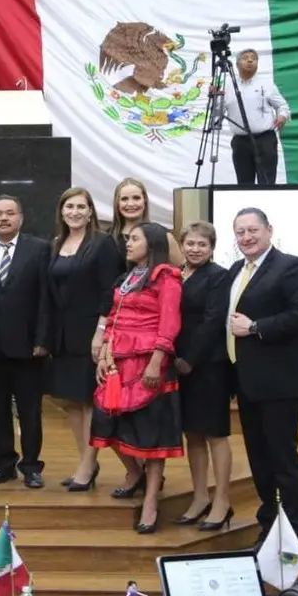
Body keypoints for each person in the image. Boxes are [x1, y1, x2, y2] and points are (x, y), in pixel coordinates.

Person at [225, 207, 298, 547]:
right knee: (259, 462)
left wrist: (255, 327)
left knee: (282, 461)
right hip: (247, 384)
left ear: (268, 230)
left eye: (252, 230)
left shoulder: (290, 266)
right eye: (240, 232)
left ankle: (293, 536)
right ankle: (269, 525)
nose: (246, 237)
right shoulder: (236, 270)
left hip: (280, 384)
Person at [90, 222, 184, 534]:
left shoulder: (166, 277)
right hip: (118, 364)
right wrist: (104, 353)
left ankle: (151, 501)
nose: (127, 244)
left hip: (148, 364)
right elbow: (113, 319)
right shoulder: (128, 277)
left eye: (134, 239)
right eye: (127, 239)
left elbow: (169, 324)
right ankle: (134, 473)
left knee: (152, 435)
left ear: (152, 243)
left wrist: (156, 364)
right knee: (107, 422)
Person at [44, 187, 124, 492]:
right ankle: (85, 461)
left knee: (91, 400)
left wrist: (102, 332)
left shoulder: (102, 244)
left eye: (81, 206)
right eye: (69, 206)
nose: (74, 212)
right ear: (61, 212)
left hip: (92, 332)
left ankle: (88, 465)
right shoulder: (56, 244)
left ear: (91, 212)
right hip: (63, 337)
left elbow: (110, 290)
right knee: (72, 403)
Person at [0, 195, 51, 489]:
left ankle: (32, 466)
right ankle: (4, 464)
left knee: (30, 411)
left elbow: (47, 299)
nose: (4, 219)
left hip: (28, 347)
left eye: (10, 213)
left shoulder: (39, 249)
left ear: (21, 218)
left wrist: (42, 339)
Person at [172, 221, 234, 531]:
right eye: (191, 243)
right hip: (178, 364)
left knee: (214, 434)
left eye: (202, 244)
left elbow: (213, 321)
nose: (196, 249)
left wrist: (190, 360)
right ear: (182, 245)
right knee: (192, 434)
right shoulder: (174, 274)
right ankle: (199, 497)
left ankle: (222, 500)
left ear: (212, 248)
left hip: (208, 365)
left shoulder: (218, 276)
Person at [223, 49, 291, 185]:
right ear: (237, 64)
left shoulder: (266, 84)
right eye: (245, 58)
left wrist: (282, 116)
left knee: (266, 182)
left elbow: (283, 106)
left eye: (254, 58)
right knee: (243, 183)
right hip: (240, 142)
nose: (250, 60)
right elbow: (217, 111)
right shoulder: (229, 86)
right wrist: (214, 97)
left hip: (264, 139)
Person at [107, 178, 181, 265]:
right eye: (124, 199)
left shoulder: (162, 235)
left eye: (136, 198)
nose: (130, 204)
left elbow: (183, 270)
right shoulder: (107, 238)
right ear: (117, 203)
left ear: (144, 201)